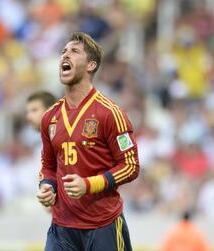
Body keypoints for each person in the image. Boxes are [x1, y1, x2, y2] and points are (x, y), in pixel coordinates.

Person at [36, 32, 140, 251]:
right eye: (63, 51)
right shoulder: (49, 117)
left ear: (91, 65)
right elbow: (48, 166)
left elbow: (131, 166)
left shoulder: (110, 113)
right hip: (62, 228)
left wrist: (89, 184)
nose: (65, 55)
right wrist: (46, 186)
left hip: (103, 225)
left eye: (74, 51)